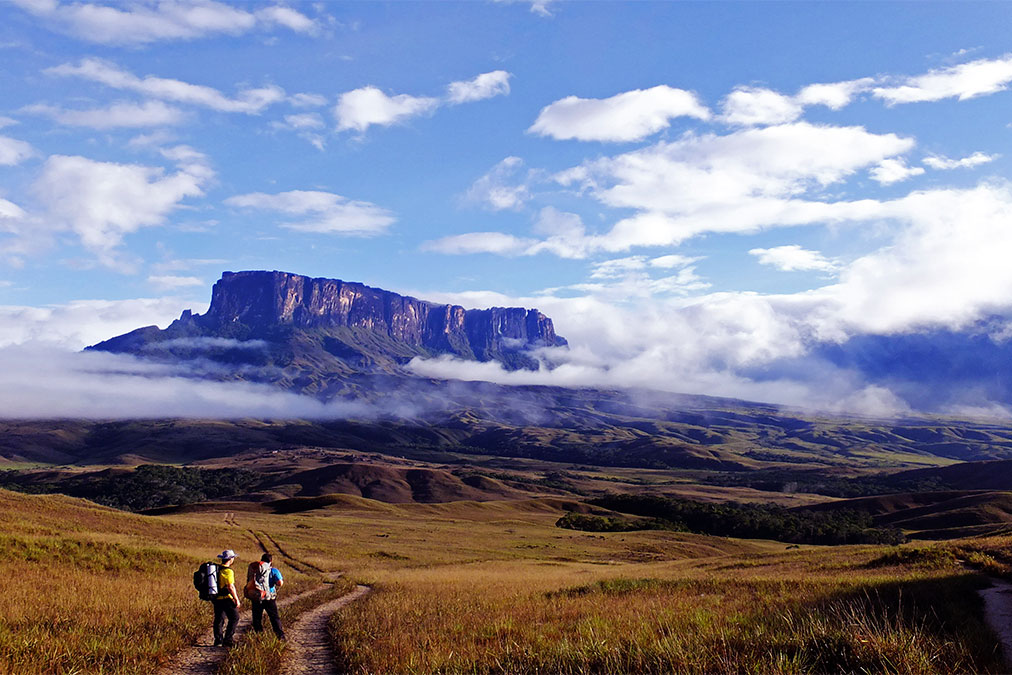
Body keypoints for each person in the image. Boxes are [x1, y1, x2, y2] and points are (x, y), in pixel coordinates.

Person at [249, 553, 286, 640]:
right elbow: (280, 583)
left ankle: (259, 636)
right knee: (274, 617)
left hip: (256, 597)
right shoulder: (273, 570)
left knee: (257, 618)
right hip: (269, 597)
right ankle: (280, 636)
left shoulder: (255, 570)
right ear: (271, 561)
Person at [212, 549, 241, 648]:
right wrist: (236, 599)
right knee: (234, 617)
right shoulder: (228, 571)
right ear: (230, 559)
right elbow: (230, 586)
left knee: (219, 619)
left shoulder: (217, 570)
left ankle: (218, 640)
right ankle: (228, 639)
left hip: (217, 598)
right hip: (226, 598)